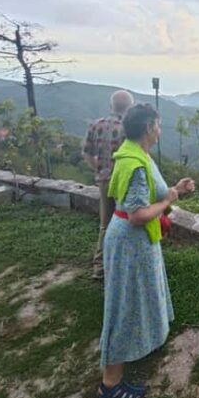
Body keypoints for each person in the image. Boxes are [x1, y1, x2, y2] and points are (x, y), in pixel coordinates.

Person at [96, 103, 195, 398]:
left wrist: (173, 190)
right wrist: (170, 199)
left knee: (138, 296)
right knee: (125, 304)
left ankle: (143, 344)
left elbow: (142, 197)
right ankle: (110, 385)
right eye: (159, 125)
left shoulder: (132, 153)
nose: (161, 130)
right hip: (131, 242)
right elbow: (138, 214)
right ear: (150, 127)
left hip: (130, 239)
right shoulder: (137, 163)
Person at [83, 90, 134, 280]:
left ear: (111, 105)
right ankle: (124, 262)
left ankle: (100, 266)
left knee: (106, 224)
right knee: (127, 220)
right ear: (128, 108)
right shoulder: (128, 128)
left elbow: (87, 153)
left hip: (104, 180)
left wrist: (97, 168)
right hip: (124, 181)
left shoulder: (95, 125)